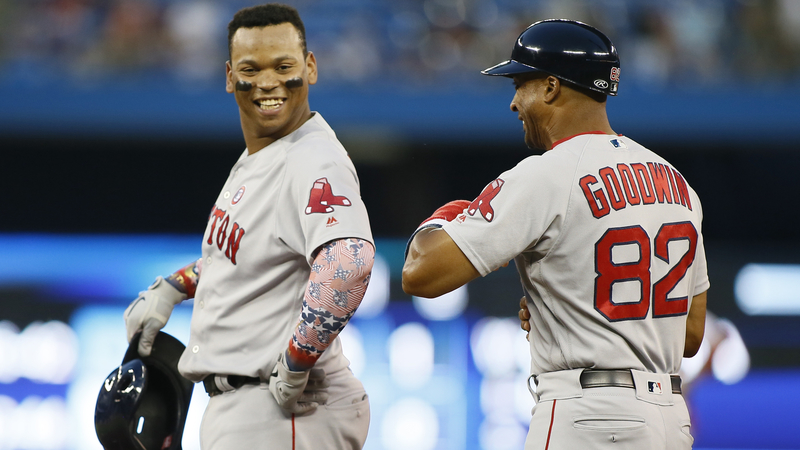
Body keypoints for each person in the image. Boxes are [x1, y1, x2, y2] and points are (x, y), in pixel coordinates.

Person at [403, 19, 708, 449]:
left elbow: (421, 273)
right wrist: (568, 306)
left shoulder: (546, 175)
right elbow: (690, 335)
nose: (513, 103)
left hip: (589, 417)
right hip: (670, 422)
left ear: (550, 87)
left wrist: (446, 216)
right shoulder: (678, 185)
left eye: (519, 84)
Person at [124, 4, 373, 448]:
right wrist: (174, 287)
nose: (268, 82)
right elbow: (256, 255)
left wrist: (298, 358)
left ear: (310, 67)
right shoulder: (265, 154)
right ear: (228, 76)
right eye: (250, 69)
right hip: (249, 408)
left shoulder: (312, 159)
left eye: (284, 66)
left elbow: (348, 263)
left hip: (284, 411)